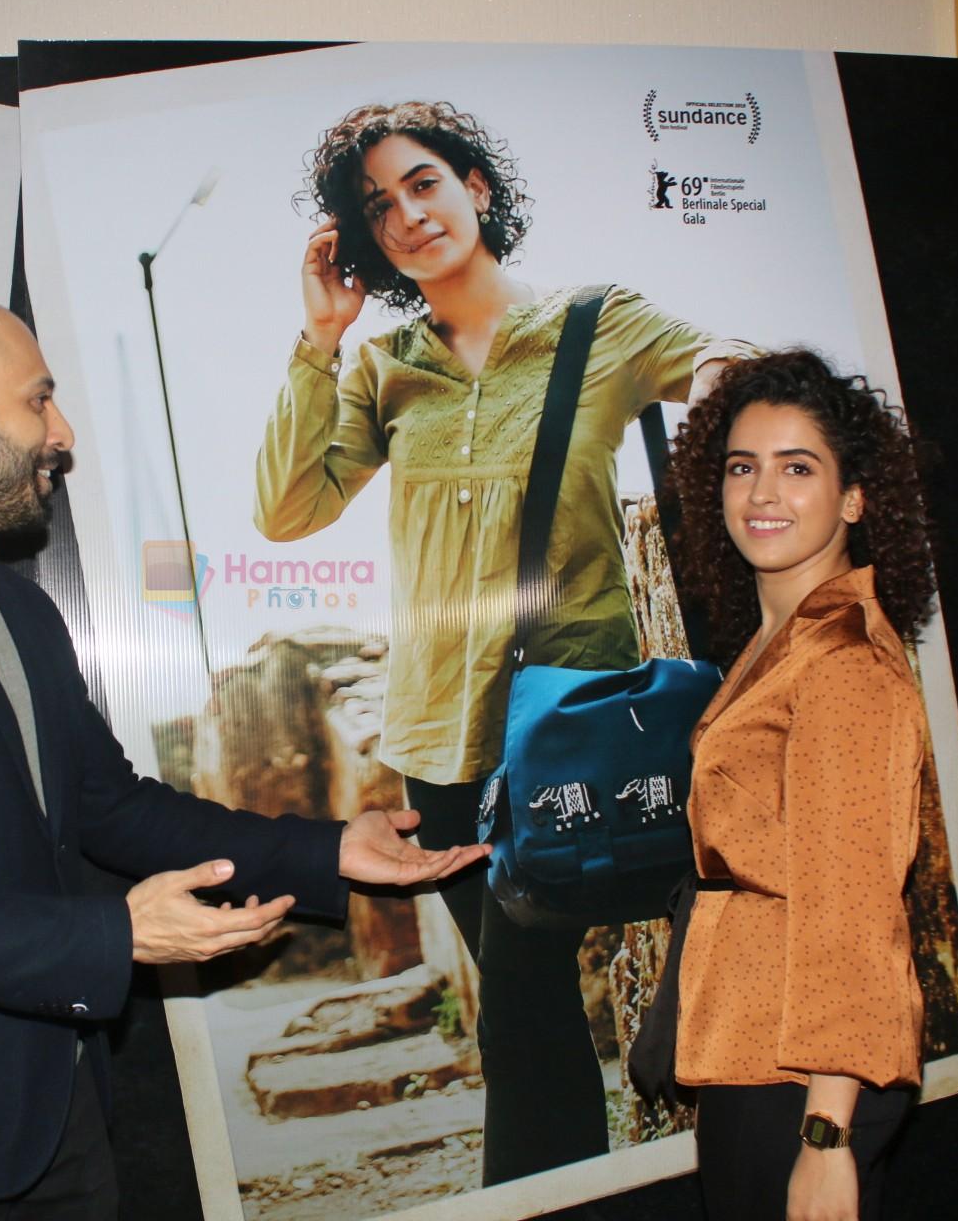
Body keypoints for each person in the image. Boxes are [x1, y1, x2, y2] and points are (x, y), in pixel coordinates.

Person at [0, 294, 488, 1220]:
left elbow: (112, 806)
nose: (63, 432)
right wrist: (112, 936)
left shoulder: (20, 611)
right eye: (37, 400)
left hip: (62, 1133)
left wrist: (325, 850)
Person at [253, 99, 755, 1183]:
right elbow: (288, 510)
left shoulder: (596, 320)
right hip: (444, 748)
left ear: (477, 186)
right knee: (525, 1008)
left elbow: (724, 367)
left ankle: (554, 1188)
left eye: (424, 182)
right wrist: (319, 338)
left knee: (525, 1007)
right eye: (379, 207)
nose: (409, 215)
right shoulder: (386, 366)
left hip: (576, 730)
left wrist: (726, 382)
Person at [662, 351, 937, 1220]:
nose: (763, 494)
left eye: (797, 467)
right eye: (743, 467)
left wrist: (826, 1140)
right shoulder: (784, 639)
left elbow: (856, 912)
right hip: (757, 1042)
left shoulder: (843, 666)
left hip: (805, 1074)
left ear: (855, 498)